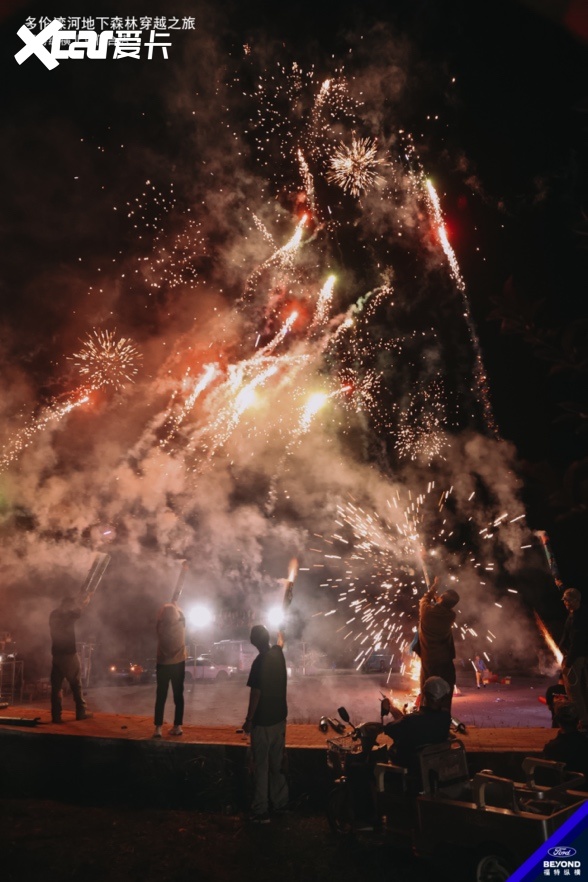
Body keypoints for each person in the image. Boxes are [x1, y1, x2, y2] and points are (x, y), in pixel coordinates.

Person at [242, 623, 289, 824]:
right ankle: (280, 803)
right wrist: (282, 627)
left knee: (261, 766)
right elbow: (281, 641)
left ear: (253, 641)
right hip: (280, 719)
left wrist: (249, 720)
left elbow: (256, 693)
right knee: (276, 765)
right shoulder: (278, 653)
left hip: (263, 722)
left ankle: (261, 811)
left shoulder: (259, 662)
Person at [418, 576, 460, 711]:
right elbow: (443, 608)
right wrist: (440, 601)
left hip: (429, 659)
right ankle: (443, 718)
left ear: (441, 599)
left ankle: (425, 719)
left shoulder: (426, 611)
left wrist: (435, 585)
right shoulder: (451, 616)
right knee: (447, 688)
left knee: (427, 688)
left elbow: (424, 599)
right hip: (445, 659)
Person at [49, 595, 91, 723]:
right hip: (69, 655)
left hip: (56, 655)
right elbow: (79, 612)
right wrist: (85, 601)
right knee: (76, 684)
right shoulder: (67, 615)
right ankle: (81, 712)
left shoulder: (53, 614)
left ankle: (56, 716)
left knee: (56, 687)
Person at [153, 601, 186, 739]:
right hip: (178, 663)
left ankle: (158, 728)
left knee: (161, 696)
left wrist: (165, 609)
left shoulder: (160, 628)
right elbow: (182, 615)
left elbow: (159, 617)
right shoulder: (181, 626)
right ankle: (177, 726)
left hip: (163, 664)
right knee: (178, 696)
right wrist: (176, 606)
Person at [558, 587, 588, 730]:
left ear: (577, 601)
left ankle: (583, 720)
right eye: (565, 601)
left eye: (569, 601)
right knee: (579, 690)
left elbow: (577, 642)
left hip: (578, 656)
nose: (566, 603)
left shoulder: (580, 616)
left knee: (574, 691)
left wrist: (569, 663)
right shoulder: (573, 613)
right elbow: (567, 634)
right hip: (574, 655)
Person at [542, 702, 588, 785]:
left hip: (563, 793)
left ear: (557, 720)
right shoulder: (584, 743)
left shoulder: (551, 748)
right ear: (578, 721)